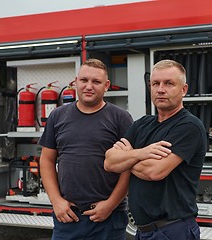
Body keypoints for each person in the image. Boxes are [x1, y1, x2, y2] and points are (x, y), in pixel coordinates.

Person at [104, 59, 207, 240]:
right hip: (143, 231)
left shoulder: (189, 126)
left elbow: (154, 171)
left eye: (169, 83)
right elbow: (109, 162)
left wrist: (126, 157)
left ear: (184, 90)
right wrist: (140, 153)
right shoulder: (143, 124)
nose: (160, 89)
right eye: (155, 83)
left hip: (173, 230)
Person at [39, 58, 133, 240]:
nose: (89, 86)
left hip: (108, 218)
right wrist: (56, 201)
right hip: (68, 217)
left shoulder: (120, 118)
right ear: (75, 82)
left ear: (106, 85)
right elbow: (46, 160)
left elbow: (129, 167)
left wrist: (111, 204)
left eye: (96, 82)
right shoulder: (57, 116)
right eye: (84, 80)